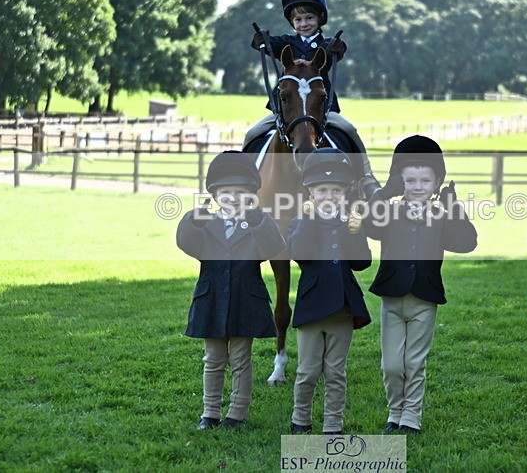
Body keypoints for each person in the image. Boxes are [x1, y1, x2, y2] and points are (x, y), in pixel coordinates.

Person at [363, 135, 477, 434]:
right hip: (392, 297)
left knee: (414, 362)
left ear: (437, 182)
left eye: (425, 181)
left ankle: (410, 417)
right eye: (410, 180)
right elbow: (369, 227)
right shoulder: (388, 211)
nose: (417, 187)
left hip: (424, 299)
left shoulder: (441, 214)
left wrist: (455, 208)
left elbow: (465, 244)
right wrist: (383, 194)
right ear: (399, 182)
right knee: (392, 365)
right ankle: (394, 411)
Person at [176, 150, 286, 431]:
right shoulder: (206, 224)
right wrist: (193, 218)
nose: (233, 198)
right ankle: (209, 413)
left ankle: (237, 414)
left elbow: (273, 246)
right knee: (212, 360)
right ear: (215, 196)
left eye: (241, 193)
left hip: (244, 302)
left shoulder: (258, 223)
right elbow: (186, 242)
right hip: (211, 301)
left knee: (240, 360)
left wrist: (258, 218)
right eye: (226, 192)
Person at [247, 0, 380, 200]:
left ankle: (366, 179)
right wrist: (260, 41)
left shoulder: (326, 45)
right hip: (286, 109)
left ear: (320, 18)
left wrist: (339, 48)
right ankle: (245, 181)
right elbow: (269, 44)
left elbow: (339, 47)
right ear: (292, 22)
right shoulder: (286, 43)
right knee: (252, 133)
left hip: (320, 109)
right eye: (298, 20)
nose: (303, 23)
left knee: (349, 129)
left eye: (309, 18)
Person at [286, 148, 372, 435]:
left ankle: (333, 424)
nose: (329, 196)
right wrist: (310, 220)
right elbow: (300, 254)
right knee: (307, 371)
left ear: (346, 192)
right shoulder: (299, 222)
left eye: (336, 190)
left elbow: (362, 263)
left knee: (336, 372)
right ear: (311, 191)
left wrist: (356, 231)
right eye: (322, 190)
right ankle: (301, 419)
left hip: (343, 308)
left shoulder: (350, 222)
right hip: (311, 308)